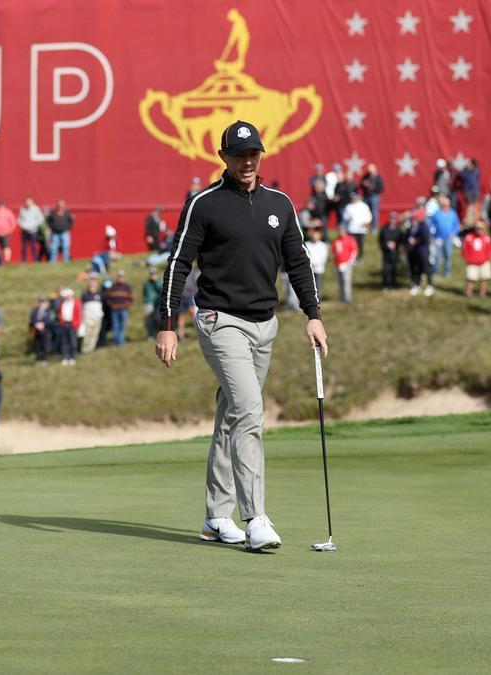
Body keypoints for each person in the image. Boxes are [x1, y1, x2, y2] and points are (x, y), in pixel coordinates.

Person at [155, 120, 328, 552]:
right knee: (250, 409)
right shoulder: (205, 204)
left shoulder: (280, 204)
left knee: (232, 415)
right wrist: (167, 324)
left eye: (254, 155)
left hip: (263, 324)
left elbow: (299, 262)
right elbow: (178, 264)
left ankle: (216, 516)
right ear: (224, 157)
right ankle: (256, 518)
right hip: (219, 320)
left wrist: (313, 314)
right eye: (239, 155)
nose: (248, 162)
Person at [429, 195, 461, 277]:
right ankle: (436, 271)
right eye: (444, 202)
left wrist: (453, 233)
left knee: (448, 255)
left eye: (447, 202)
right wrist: (433, 234)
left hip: (448, 238)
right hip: (438, 238)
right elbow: (432, 224)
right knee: (438, 255)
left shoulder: (452, 213)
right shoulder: (437, 213)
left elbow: (456, 225)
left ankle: (447, 272)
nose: (445, 203)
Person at [462, 221, 491, 299]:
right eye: (477, 228)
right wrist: (467, 259)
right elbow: (464, 249)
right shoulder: (469, 237)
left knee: (484, 279)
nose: (478, 230)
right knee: (470, 279)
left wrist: (487, 259)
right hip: (472, 262)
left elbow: (490, 250)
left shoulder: (487, 238)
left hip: (484, 262)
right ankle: (469, 294)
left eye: (480, 228)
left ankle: (482, 294)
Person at [406, 211, 435, 297]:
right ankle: (417, 284)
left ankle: (430, 285)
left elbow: (425, 238)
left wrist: (416, 241)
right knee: (417, 268)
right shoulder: (413, 225)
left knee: (426, 268)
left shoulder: (424, 226)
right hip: (415, 251)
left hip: (423, 251)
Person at [341, 191, 373, 263]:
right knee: (351, 245)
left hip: (361, 229)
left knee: (360, 244)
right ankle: (352, 258)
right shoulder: (349, 206)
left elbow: (369, 216)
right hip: (351, 229)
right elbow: (345, 217)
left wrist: (366, 222)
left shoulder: (364, 206)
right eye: (352, 198)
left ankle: (360, 257)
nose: (354, 199)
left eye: (355, 197)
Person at [105, 271, 134, 345]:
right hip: (114, 310)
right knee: (115, 326)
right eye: (119, 277)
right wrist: (111, 305)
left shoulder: (127, 287)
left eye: (122, 277)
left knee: (122, 326)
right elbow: (108, 298)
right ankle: (115, 341)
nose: (121, 278)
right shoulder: (113, 286)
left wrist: (127, 305)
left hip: (124, 310)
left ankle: (121, 342)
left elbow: (131, 298)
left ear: (124, 277)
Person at [378, 213, 404, 291]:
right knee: (385, 270)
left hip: (395, 252)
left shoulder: (398, 230)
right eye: (391, 218)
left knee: (394, 269)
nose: (393, 220)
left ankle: (393, 285)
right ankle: (385, 285)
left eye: (394, 219)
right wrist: (386, 245)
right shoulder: (384, 228)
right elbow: (380, 240)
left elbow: (401, 240)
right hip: (386, 252)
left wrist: (396, 245)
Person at [332, 228, 358, 304]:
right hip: (338, 264)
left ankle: (347, 297)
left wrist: (349, 262)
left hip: (347, 264)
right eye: (339, 231)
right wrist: (335, 263)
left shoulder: (350, 239)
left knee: (346, 281)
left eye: (342, 231)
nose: (340, 233)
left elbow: (354, 251)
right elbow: (334, 252)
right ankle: (342, 297)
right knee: (340, 281)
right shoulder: (336, 241)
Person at [56, 288, 81, 366]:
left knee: (73, 342)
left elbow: (79, 315)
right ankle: (65, 358)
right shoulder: (62, 303)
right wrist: (61, 321)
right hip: (64, 324)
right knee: (65, 342)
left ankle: (73, 357)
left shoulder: (76, 303)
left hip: (72, 324)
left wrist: (77, 325)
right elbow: (59, 313)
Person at [79, 279, 104, 354]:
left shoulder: (100, 294)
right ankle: (85, 349)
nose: (93, 287)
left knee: (95, 334)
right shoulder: (85, 295)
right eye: (91, 286)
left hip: (98, 318)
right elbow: (81, 306)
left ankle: (91, 349)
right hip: (88, 317)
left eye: (94, 286)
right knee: (87, 334)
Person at [18, 196, 45, 262]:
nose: (27, 203)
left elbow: (41, 219)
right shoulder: (23, 209)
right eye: (26, 201)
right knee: (24, 248)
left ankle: (35, 260)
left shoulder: (36, 209)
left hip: (33, 231)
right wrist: (22, 225)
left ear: (32, 201)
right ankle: (23, 261)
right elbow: (20, 219)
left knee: (34, 247)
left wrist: (33, 225)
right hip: (24, 231)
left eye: (29, 201)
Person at [360, 163, 384, 229]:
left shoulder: (378, 177)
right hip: (366, 196)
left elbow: (381, 188)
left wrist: (373, 187)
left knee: (374, 212)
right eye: (369, 169)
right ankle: (365, 226)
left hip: (374, 196)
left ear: (374, 169)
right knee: (365, 211)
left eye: (371, 169)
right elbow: (361, 184)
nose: (370, 171)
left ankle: (374, 227)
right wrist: (364, 184)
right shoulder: (366, 176)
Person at [28, 295, 52, 362]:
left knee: (44, 345)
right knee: (37, 345)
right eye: (40, 302)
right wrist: (36, 324)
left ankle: (44, 359)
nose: (41, 303)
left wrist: (43, 324)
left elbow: (50, 320)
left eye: (43, 302)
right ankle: (38, 359)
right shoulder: (35, 310)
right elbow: (31, 319)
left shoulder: (48, 311)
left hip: (45, 331)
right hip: (36, 331)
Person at [141, 268, 162, 340]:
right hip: (149, 304)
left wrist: (155, 282)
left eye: (154, 274)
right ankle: (150, 334)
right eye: (152, 274)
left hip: (157, 304)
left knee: (158, 319)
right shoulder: (147, 284)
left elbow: (161, 291)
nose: (153, 276)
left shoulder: (159, 282)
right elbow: (145, 293)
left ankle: (158, 333)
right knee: (149, 320)